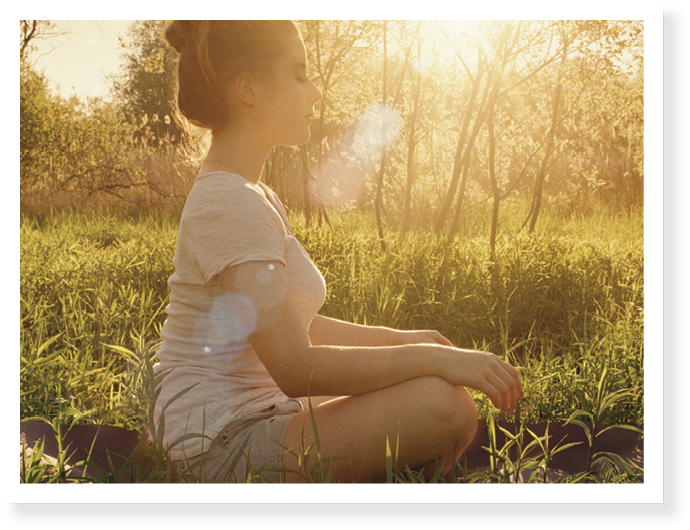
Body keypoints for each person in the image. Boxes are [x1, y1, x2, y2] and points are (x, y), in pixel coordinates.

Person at [154, 20, 524, 483]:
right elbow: (295, 367)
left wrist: (403, 340)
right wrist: (437, 358)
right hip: (223, 445)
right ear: (248, 89)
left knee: (429, 388)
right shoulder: (230, 202)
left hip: (263, 412)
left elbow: (290, 326)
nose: (315, 93)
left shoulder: (252, 195)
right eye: (299, 74)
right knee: (443, 405)